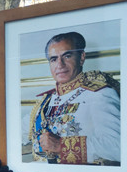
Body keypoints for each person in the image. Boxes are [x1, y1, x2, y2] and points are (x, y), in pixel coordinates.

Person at [29, 31, 120, 165]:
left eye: (67, 56)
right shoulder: (45, 101)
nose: (60, 64)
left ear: (82, 57)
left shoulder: (99, 94)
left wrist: (62, 146)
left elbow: (117, 147)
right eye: (53, 59)